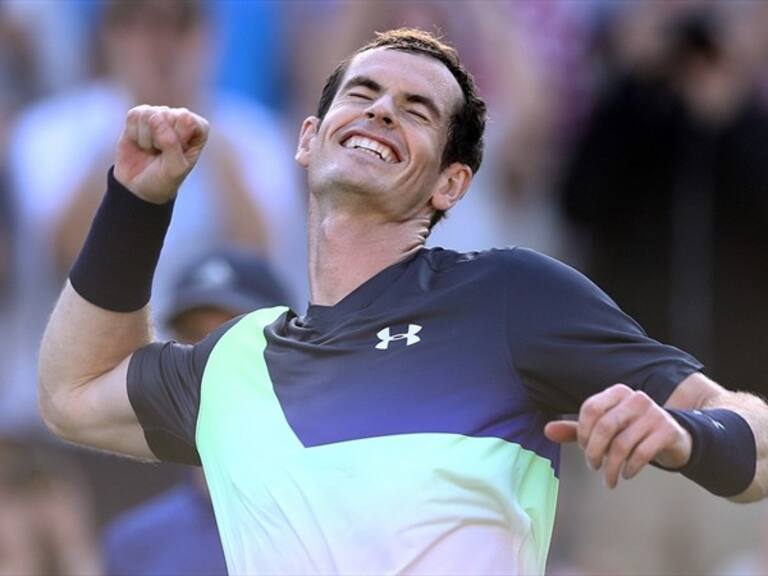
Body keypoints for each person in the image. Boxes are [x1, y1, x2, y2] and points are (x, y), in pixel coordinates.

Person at [38, 28, 767, 575]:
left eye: (416, 110)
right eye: (363, 94)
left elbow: (758, 440)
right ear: (308, 138)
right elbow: (72, 392)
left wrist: (688, 433)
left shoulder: (509, 295)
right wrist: (137, 203)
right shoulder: (234, 358)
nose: (382, 110)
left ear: (450, 185)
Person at [103, 248, 291, 576]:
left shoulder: (340, 508)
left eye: (234, 333)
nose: (210, 355)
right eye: (192, 337)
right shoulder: (136, 545)